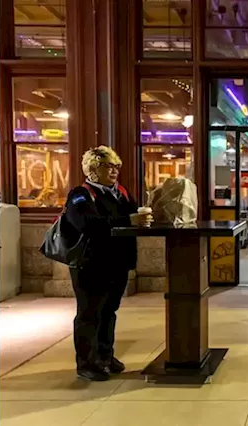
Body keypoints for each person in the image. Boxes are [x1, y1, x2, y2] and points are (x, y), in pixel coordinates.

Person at [65, 146, 152, 381]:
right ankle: (86, 362)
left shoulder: (121, 192)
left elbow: (133, 216)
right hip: (90, 264)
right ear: (92, 169)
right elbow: (86, 223)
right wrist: (128, 219)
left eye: (116, 166)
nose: (114, 171)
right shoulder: (80, 194)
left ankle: (104, 356)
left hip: (117, 263)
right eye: (108, 167)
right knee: (89, 312)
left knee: (109, 311)